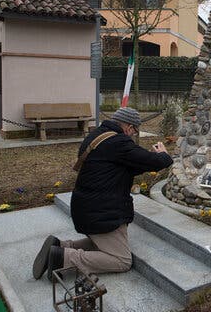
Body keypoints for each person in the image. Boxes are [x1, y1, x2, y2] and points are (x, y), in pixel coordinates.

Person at [32, 107, 173, 280]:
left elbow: (121, 165)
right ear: (129, 127)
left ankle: (61, 245)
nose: (133, 136)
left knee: (102, 244)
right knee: (121, 260)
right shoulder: (119, 143)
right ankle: (64, 257)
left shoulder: (96, 136)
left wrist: (148, 159)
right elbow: (154, 161)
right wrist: (163, 156)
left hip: (86, 207)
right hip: (102, 212)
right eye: (135, 132)